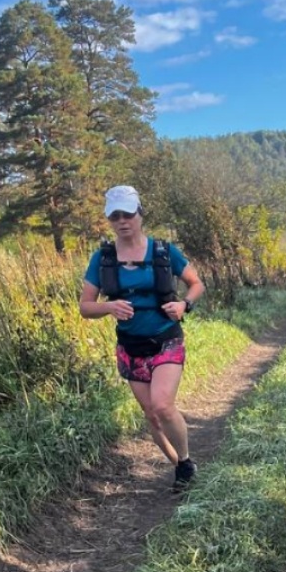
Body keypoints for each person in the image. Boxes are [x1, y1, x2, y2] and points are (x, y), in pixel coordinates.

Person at [79, 185, 205, 493]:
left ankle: (185, 461)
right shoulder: (102, 258)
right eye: (115, 216)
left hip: (166, 338)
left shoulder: (163, 251)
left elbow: (196, 284)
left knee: (162, 405)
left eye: (128, 214)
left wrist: (184, 304)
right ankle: (179, 465)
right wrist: (109, 306)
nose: (122, 221)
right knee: (151, 414)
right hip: (131, 346)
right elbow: (85, 306)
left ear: (140, 214)